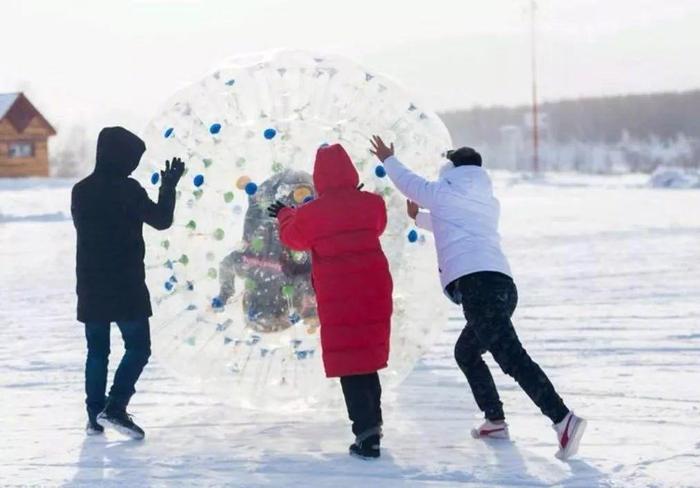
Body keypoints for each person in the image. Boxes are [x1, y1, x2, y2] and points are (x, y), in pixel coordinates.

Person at [369, 136, 586, 460]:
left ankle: (562, 418)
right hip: (500, 284)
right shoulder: (485, 199)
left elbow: (409, 184)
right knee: (467, 352)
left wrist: (388, 159)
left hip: (478, 286)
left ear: (450, 169)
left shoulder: (444, 191)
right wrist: (419, 219)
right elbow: (457, 225)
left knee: (512, 358)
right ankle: (495, 420)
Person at [267, 144, 393, 459]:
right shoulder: (372, 204)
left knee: (351, 363)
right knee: (367, 359)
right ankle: (373, 426)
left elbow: (293, 238)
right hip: (374, 288)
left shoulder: (311, 213)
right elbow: (377, 226)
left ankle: (366, 437)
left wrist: (284, 214)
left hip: (339, 295)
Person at [71, 126, 185, 439]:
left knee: (97, 351)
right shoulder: (128, 190)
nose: (134, 165)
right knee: (138, 347)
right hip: (126, 284)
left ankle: (95, 417)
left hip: (91, 284)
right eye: (133, 158)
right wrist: (169, 186)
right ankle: (116, 406)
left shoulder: (81, 190)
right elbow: (162, 220)